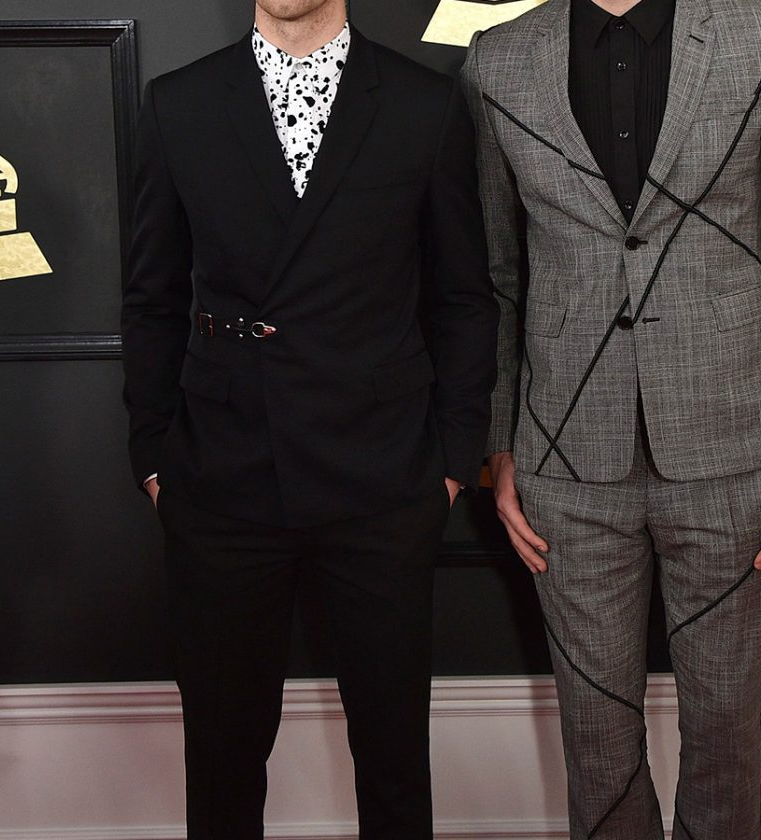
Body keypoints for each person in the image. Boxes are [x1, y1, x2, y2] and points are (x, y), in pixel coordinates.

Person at [460, 0, 761, 837]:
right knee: (596, 750)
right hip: (565, 460)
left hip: (733, 451)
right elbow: (496, 276)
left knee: (725, 739)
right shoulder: (498, 59)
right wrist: (499, 444)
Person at [121, 0, 498, 836]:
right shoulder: (179, 103)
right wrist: (153, 458)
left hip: (383, 482)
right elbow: (151, 298)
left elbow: (463, 299)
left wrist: (450, 463)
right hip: (222, 481)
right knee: (222, 763)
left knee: (393, 764)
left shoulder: (423, 104)